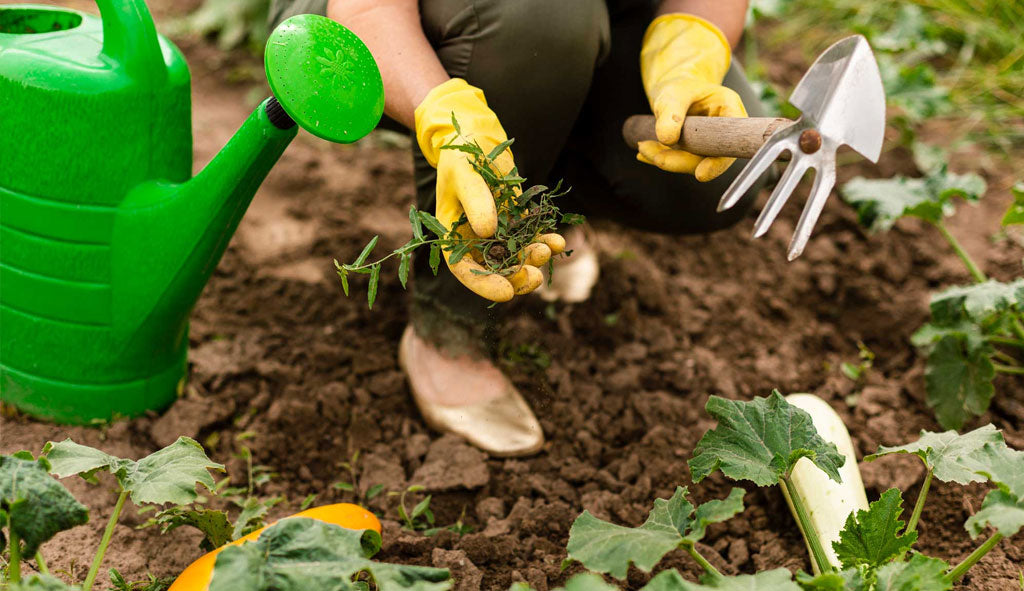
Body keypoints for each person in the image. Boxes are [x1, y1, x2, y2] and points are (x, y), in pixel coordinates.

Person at [269, 0, 767, 457]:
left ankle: (539, 182)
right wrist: (446, 119)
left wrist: (686, 50)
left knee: (714, 184)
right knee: (545, 21)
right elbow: (369, 9)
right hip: (376, 20)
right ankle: (449, 326)